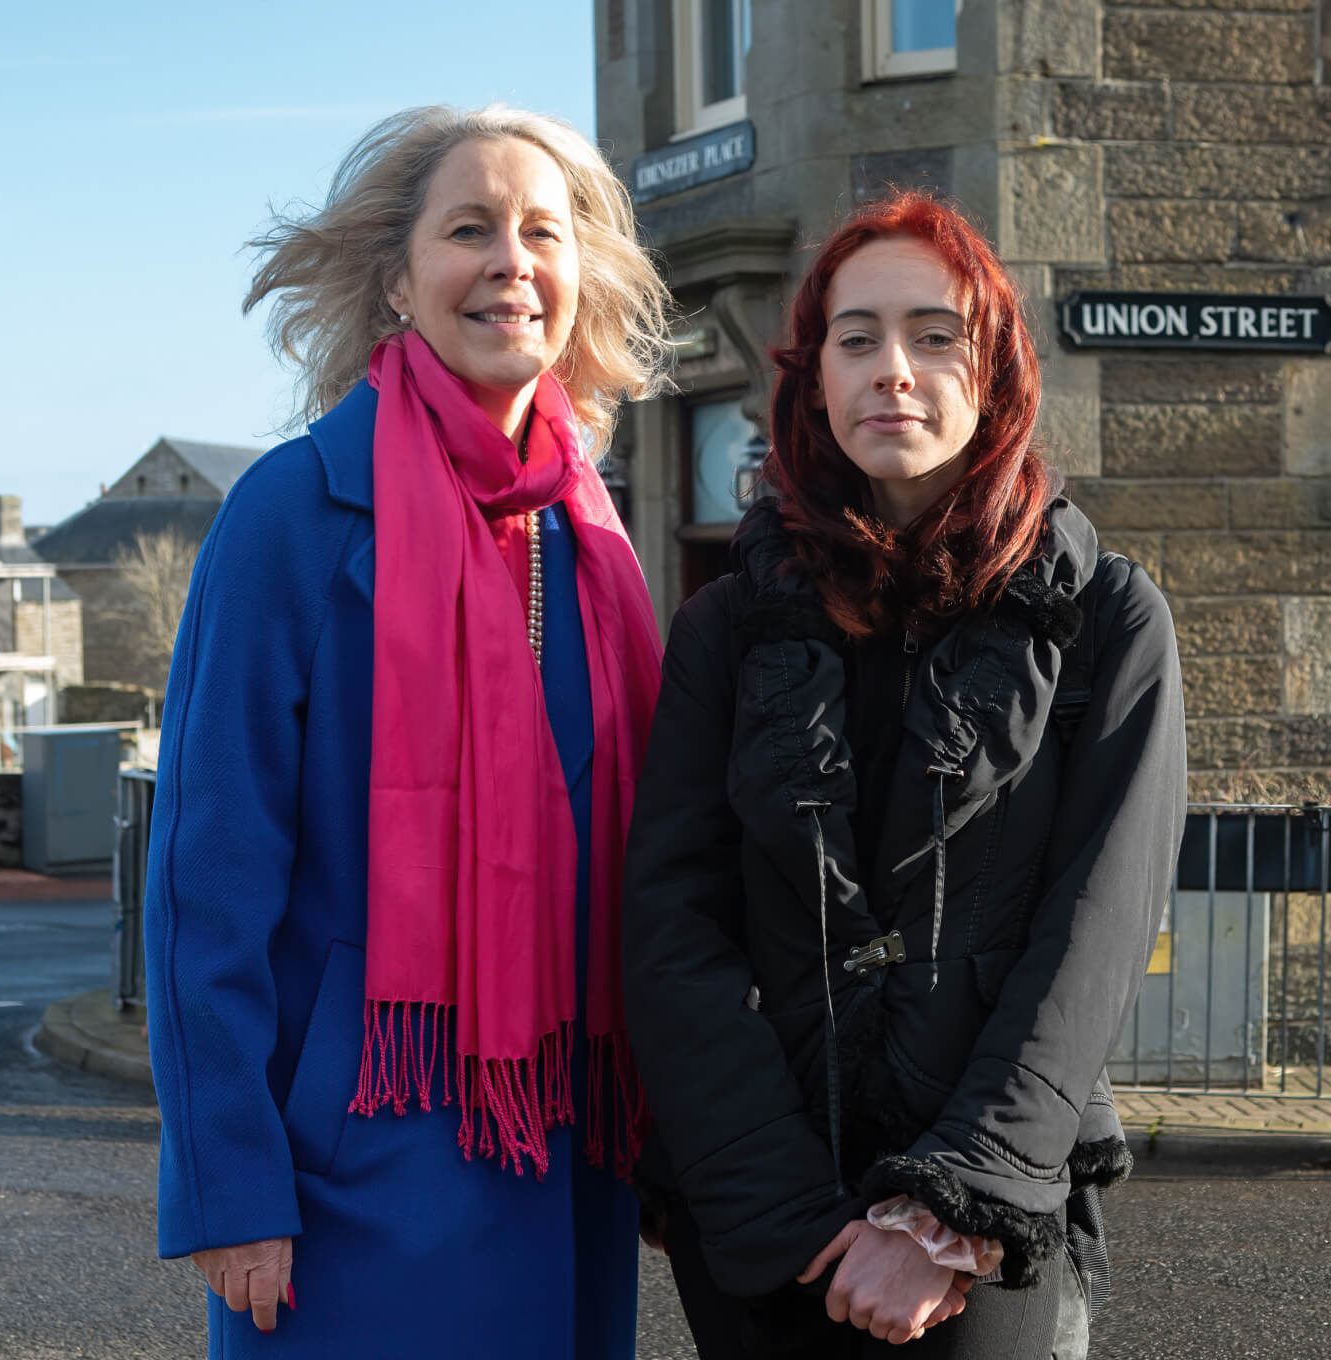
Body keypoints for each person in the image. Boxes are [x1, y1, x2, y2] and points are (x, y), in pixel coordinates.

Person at [143, 104, 672, 1360]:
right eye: (469, 228)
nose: (511, 260)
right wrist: (231, 1187)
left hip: (567, 1153)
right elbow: (201, 885)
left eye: (543, 230)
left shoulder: (589, 537)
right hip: (347, 1180)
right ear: (396, 277)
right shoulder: (294, 510)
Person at [621, 193, 1187, 1358]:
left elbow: (1093, 931)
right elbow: (670, 926)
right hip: (764, 1207)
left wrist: (944, 1211)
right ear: (811, 375)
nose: (895, 369)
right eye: (857, 336)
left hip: (990, 1205)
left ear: (995, 370)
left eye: (937, 336)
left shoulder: (1108, 617)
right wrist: (779, 1209)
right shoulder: (725, 625)